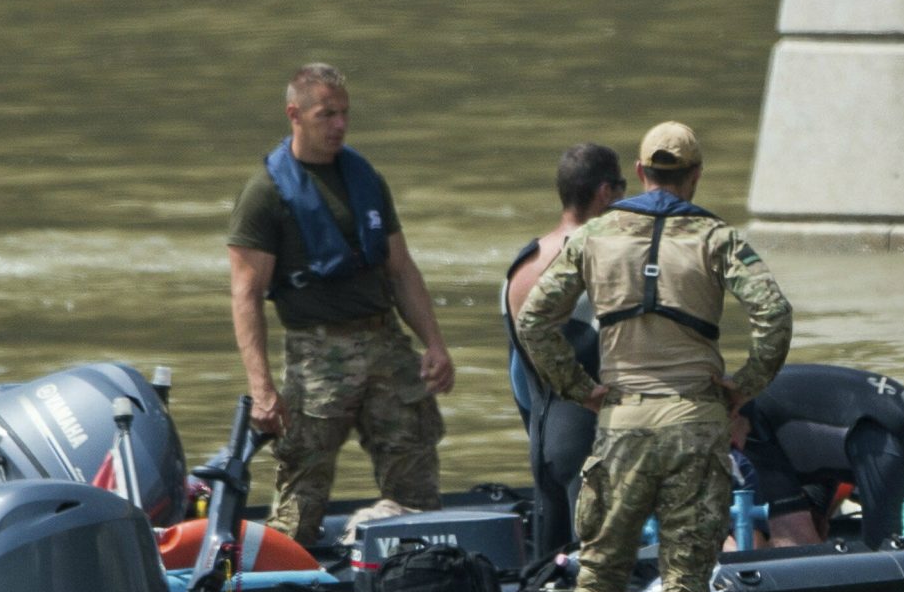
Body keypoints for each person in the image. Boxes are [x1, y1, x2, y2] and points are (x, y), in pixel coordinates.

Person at [515, 121, 792, 592]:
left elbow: (534, 320)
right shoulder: (717, 238)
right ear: (696, 175)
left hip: (623, 421)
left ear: (640, 171)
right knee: (687, 583)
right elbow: (774, 313)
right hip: (696, 422)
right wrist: (745, 385)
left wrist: (579, 387)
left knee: (598, 579)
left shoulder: (594, 236)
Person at [226, 62, 455, 547]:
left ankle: (418, 576)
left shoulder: (363, 176)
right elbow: (245, 295)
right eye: (326, 114)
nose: (339, 125)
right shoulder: (265, 194)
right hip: (316, 356)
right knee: (300, 495)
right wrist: (261, 388)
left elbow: (401, 269)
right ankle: (291, 582)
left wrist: (433, 344)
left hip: (387, 346)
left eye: (344, 114)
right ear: (295, 114)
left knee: (417, 484)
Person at [503, 143, 625, 565]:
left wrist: (540, 422)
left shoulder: (523, 263)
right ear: (605, 193)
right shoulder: (602, 258)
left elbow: (519, 376)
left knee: (549, 577)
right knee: (596, 575)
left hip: (544, 440)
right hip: (589, 439)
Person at [739, 364, 904, 549]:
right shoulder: (889, 448)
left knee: (816, 528)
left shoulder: (900, 421)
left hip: (791, 436)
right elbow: (882, 544)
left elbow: (830, 444)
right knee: (798, 538)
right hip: (750, 419)